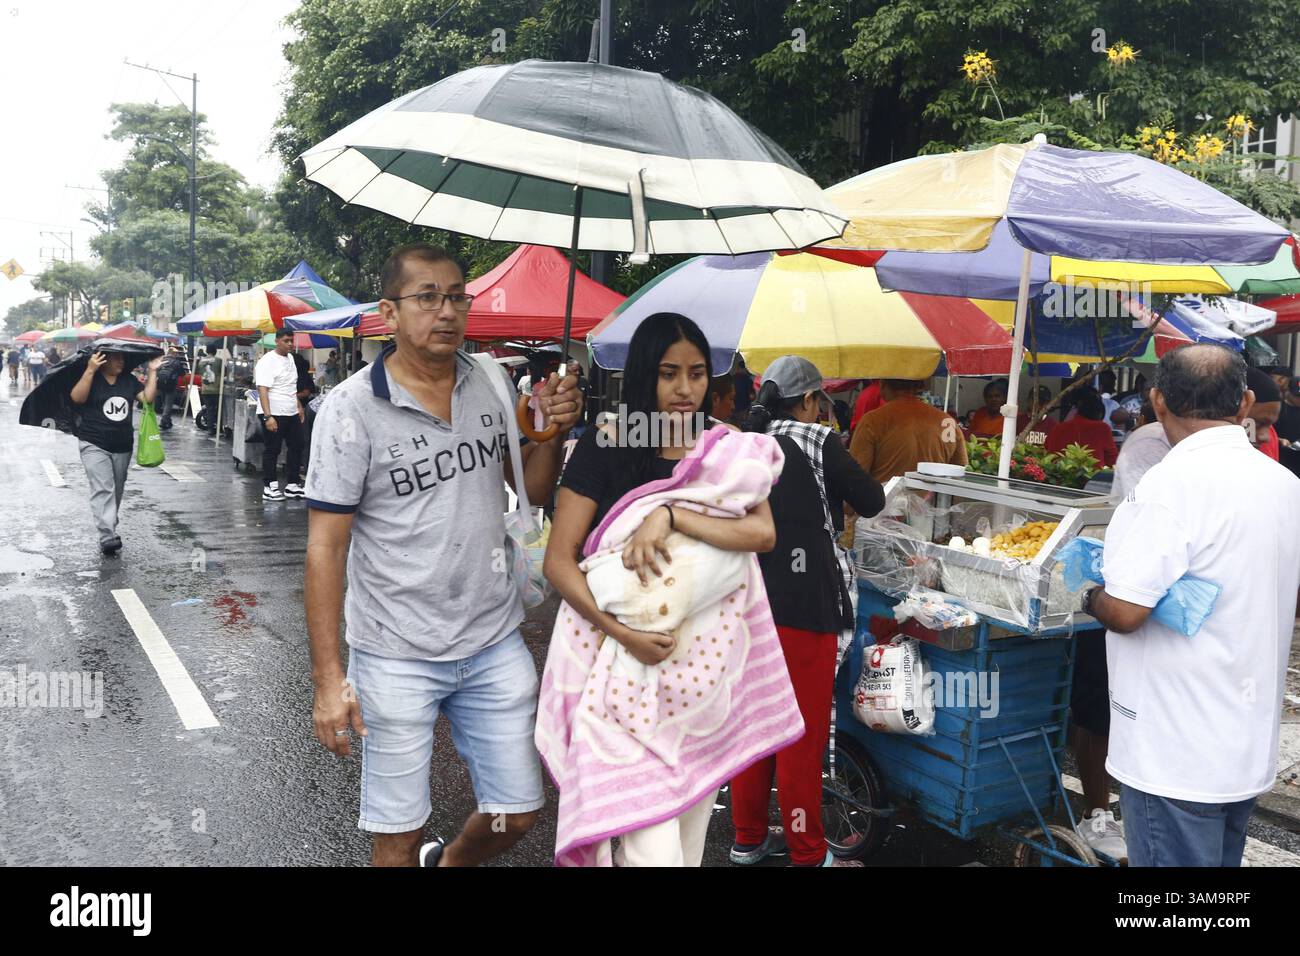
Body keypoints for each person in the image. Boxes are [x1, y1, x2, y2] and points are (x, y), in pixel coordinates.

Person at [304, 243, 581, 868]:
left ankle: (450, 862)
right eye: (427, 297)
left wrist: (551, 433)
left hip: (492, 637)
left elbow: (532, 490)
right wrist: (328, 681)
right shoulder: (351, 409)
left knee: (519, 811)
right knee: (397, 834)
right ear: (389, 313)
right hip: (394, 650)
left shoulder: (490, 380)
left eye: (457, 296)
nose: (447, 311)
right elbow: (325, 546)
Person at [540, 312, 794, 867]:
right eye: (668, 373)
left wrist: (671, 515)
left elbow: (763, 534)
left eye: (697, 374)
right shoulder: (607, 444)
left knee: (686, 845)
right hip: (620, 681)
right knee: (654, 853)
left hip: (699, 687)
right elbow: (559, 561)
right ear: (642, 376)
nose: (685, 389)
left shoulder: (724, 450)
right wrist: (620, 632)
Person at [1083, 344, 1300, 867]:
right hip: (1244, 743)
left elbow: (1126, 612)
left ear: (1158, 401)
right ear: (1244, 403)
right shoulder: (1285, 484)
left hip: (1174, 750)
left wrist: (1088, 595)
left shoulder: (1168, 486)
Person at [731, 355, 885, 868]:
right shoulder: (817, 440)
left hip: (748, 606)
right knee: (799, 734)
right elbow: (872, 500)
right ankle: (809, 852)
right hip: (805, 608)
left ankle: (748, 839)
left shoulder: (745, 443)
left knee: (755, 728)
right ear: (812, 399)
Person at [69, 349, 162, 555]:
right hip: (93, 442)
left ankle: (109, 525)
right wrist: (90, 370)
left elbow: (147, 399)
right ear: (104, 359)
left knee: (116, 490)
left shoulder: (128, 380)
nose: (121, 361)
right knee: (103, 488)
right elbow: (77, 398)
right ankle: (107, 536)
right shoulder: (92, 377)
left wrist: (153, 371)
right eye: (116, 358)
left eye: (122, 358)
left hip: (122, 444)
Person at [849, 379, 967, 484]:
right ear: (919, 386)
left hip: (884, 501)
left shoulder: (872, 421)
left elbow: (855, 477)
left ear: (883, 384)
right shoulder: (947, 423)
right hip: (933, 501)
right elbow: (961, 473)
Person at [255, 328, 307, 501]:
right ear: (277, 341)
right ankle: (269, 486)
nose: (290, 344)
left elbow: (290, 386)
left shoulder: (291, 358)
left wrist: (298, 406)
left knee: (297, 445)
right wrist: (268, 416)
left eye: (292, 340)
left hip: (291, 411)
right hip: (274, 412)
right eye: (286, 341)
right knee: (273, 449)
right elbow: (262, 388)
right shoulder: (267, 361)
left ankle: (292, 484)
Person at [1044, 390, 1118, 467]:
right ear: (1100, 414)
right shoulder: (1102, 428)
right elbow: (1112, 461)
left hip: (1057, 473)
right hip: (1092, 474)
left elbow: (1047, 453)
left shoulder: (1057, 428)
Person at [154, 346, 186, 430]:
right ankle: (164, 421)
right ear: (173, 353)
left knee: (164, 403)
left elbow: (156, 371)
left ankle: (168, 421)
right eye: (176, 353)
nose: (177, 355)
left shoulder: (161, 361)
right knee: (168, 404)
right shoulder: (176, 362)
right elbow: (182, 374)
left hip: (160, 384)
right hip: (171, 385)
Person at [1275, 375, 1300, 480]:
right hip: (1282, 459)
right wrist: (1279, 440)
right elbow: (1266, 433)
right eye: (1297, 396)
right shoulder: (1276, 408)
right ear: (1288, 391)